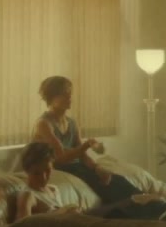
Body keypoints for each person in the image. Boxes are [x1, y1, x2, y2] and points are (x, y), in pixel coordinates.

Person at [32, 75, 148, 206]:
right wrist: (86, 145)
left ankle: (151, 201)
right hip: (63, 168)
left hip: (77, 166)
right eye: (64, 94)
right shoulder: (44, 124)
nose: (69, 97)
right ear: (51, 98)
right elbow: (60, 158)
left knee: (117, 179)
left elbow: (83, 155)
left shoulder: (72, 123)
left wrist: (97, 167)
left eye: (69, 93)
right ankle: (140, 206)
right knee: (104, 185)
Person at [14, 141, 166, 224]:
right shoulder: (28, 195)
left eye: (47, 170)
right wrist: (58, 214)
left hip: (81, 221)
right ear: (27, 170)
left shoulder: (52, 189)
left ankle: (161, 212)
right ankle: (161, 215)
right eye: (37, 173)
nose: (44, 177)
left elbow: (83, 214)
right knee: (117, 214)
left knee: (124, 205)